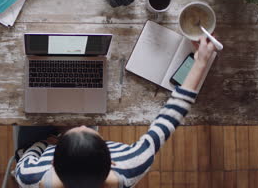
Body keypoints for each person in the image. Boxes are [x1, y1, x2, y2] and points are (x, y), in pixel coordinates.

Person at [15, 36, 216, 188]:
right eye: (89, 130)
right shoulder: (132, 163)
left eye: (79, 129)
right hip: (67, 150)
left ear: (52, 164)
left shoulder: (31, 176)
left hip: (42, 142)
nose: (83, 124)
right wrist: (200, 62)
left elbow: (23, 155)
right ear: (111, 160)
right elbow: (170, 117)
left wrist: (44, 144)